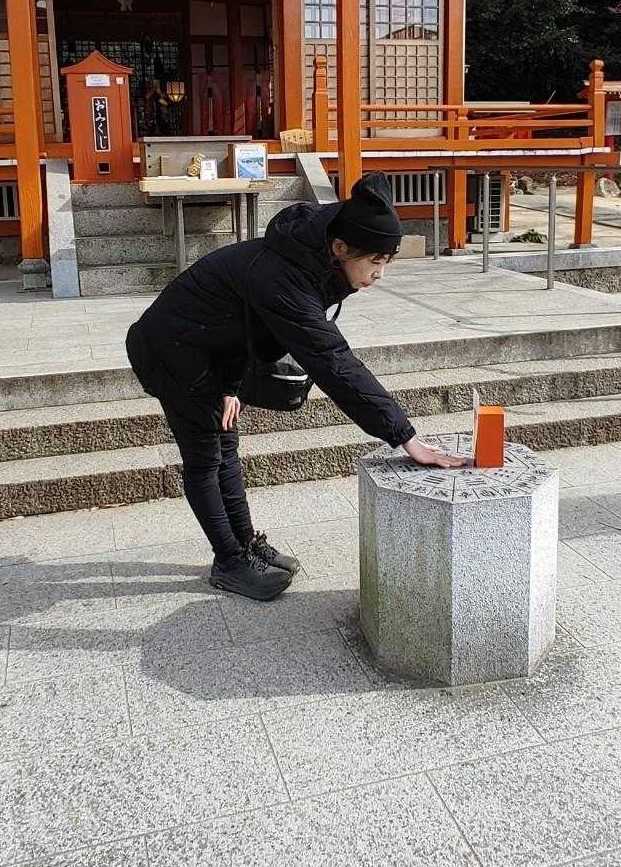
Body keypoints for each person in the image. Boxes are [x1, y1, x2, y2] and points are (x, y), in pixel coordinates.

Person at [126, 172, 465, 602]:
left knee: (225, 445)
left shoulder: (310, 259)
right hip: (170, 352)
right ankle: (229, 560)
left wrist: (231, 385)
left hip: (210, 348)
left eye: (387, 262)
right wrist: (405, 436)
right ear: (339, 247)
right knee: (205, 455)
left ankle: (246, 543)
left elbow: (241, 323)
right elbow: (333, 361)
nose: (380, 274)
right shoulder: (285, 274)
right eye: (375, 261)